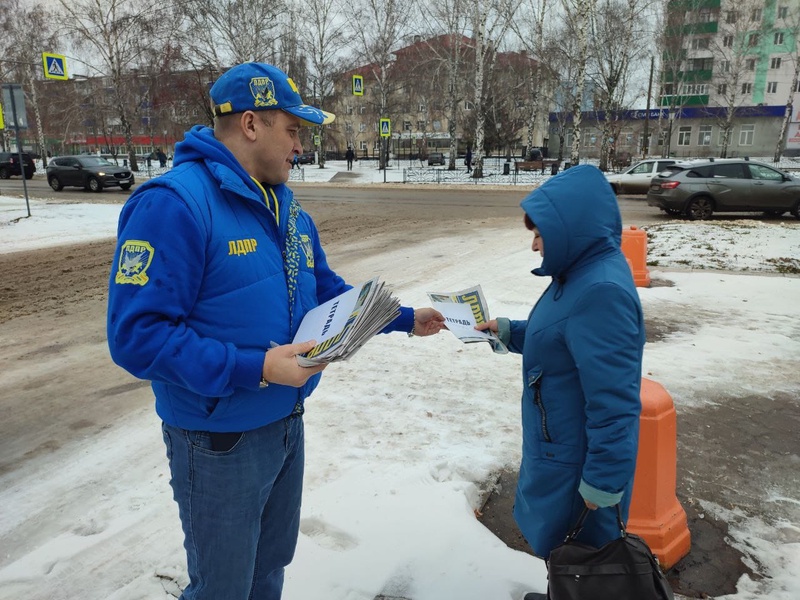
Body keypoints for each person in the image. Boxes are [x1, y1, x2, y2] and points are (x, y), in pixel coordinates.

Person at [106, 62, 445, 600]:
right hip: (219, 441)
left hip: (286, 424)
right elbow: (137, 337)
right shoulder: (173, 205)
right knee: (222, 588)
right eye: (293, 130)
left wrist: (402, 319)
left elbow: (325, 286)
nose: (299, 146)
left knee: (268, 573)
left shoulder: (285, 205)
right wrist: (259, 367)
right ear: (250, 124)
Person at [475, 164, 645, 598]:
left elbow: (616, 401)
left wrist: (603, 481)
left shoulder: (600, 290)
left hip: (577, 466)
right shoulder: (578, 273)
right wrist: (511, 331)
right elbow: (562, 334)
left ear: (572, 226)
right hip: (558, 446)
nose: (534, 245)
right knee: (566, 559)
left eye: (540, 233)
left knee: (586, 563)